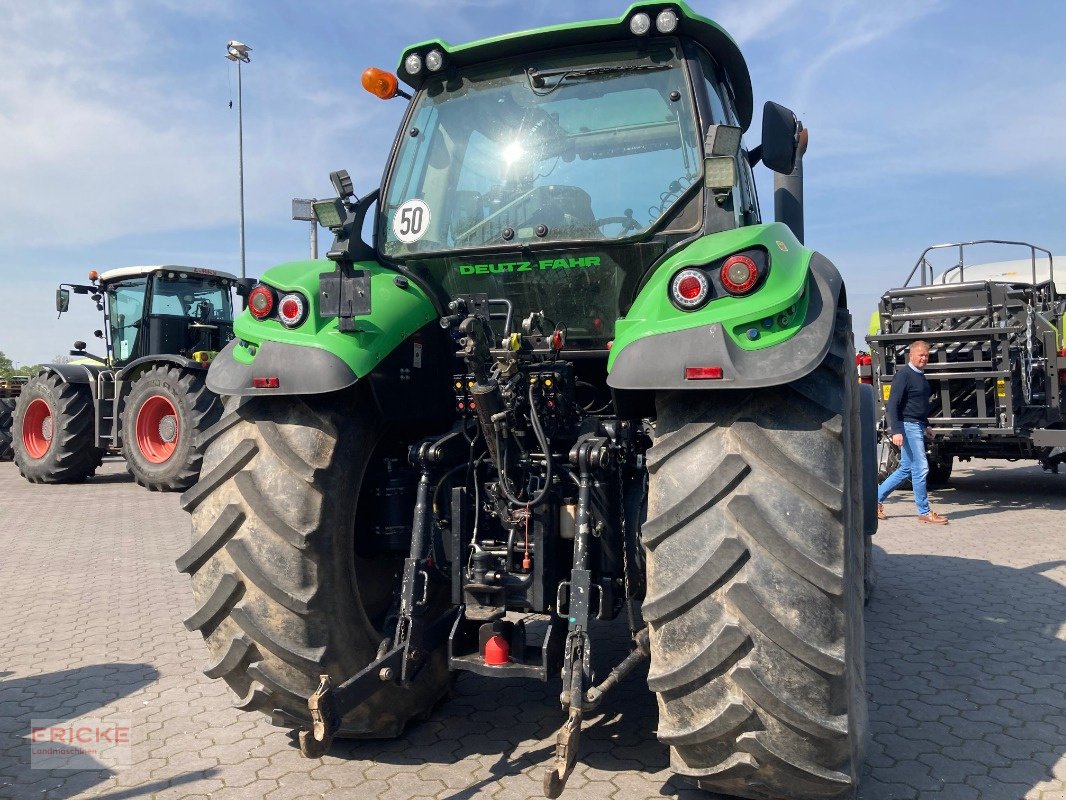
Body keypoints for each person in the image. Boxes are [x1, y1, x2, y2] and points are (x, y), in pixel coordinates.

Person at [877, 340, 949, 524]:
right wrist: (896, 431)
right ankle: (924, 512)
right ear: (911, 355)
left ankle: (874, 501)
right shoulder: (904, 375)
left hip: (917, 425)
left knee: (906, 468)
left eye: (926, 356)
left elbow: (917, 405)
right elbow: (893, 404)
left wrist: (926, 424)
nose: (924, 358)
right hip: (907, 427)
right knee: (921, 467)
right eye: (921, 355)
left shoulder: (920, 375)